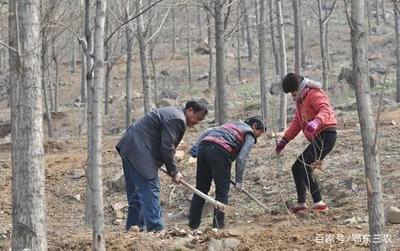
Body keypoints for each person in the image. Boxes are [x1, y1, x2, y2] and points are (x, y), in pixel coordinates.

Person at [116, 101, 208, 232]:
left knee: (138, 192)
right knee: (151, 187)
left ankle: (134, 228)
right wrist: (174, 171)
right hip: (139, 149)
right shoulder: (178, 119)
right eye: (198, 118)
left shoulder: (173, 114)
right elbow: (167, 147)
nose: (197, 122)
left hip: (129, 147)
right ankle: (156, 229)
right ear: (190, 110)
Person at [188, 116, 265, 230]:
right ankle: (218, 228)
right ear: (254, 126)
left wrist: (195, 147)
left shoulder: (231, 125)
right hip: (221, 151)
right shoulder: (250, 134)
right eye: (260, 132)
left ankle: (193, 226)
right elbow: (241, 158)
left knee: (201, 189)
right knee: (222, 192)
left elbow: (207, 131)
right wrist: (239, 181)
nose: (258, 137)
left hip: (204, 148)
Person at [275, 73, 337, 213]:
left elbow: (325, 109)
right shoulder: (300, 101)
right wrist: (285, 140)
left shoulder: (314, 93)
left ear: (300, 86)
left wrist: (316, 121)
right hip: (317, 138)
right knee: (296, 167)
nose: (292, 95)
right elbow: (297, 123)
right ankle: (301, 203)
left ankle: (319, 203)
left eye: (293, 91)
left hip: (327, 134)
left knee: (304, 165)